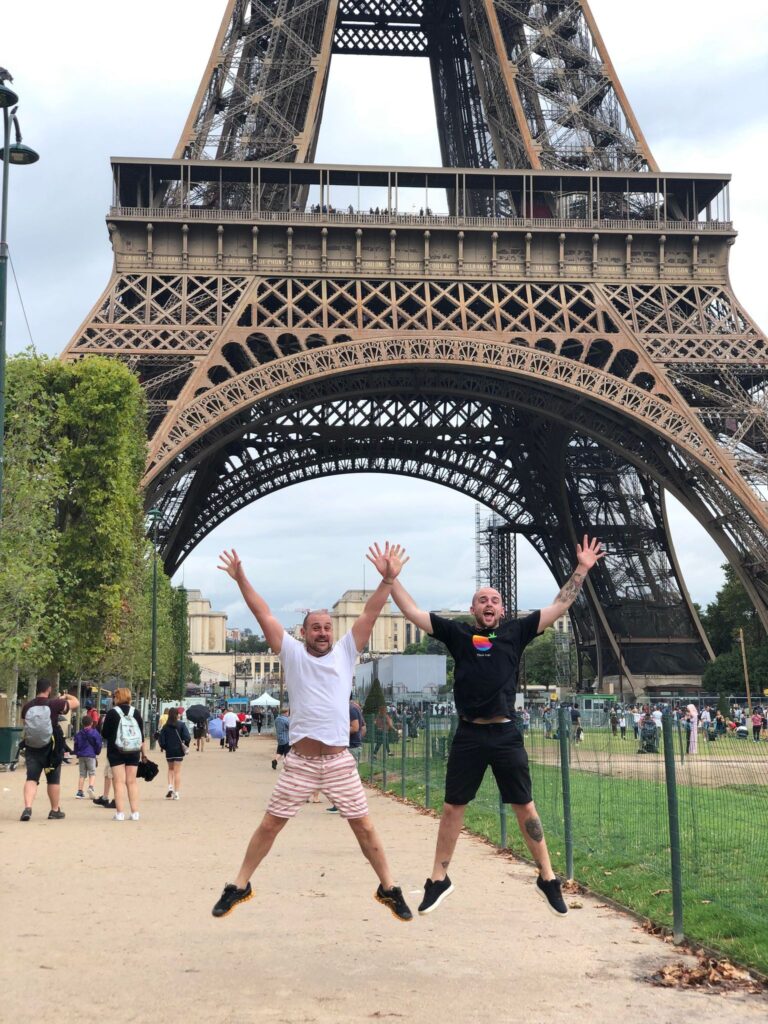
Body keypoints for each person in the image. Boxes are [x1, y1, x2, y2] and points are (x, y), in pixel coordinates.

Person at [390, 534, 605, 918]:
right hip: (470, 733)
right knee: (453, 807)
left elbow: (560, 604)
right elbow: (414, 613)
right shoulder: (458, 634)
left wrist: (583, 569)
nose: (488, 604)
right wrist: (391, 580)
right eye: (482, 600)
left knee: (525, 806)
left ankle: (547, 876)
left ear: (502, 610)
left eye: (494, 600)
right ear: (472, 609)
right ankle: (439, 879)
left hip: (505, 733)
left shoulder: (516, 632)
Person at [211, 542, 413, 922]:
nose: (322, 632)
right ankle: (239, 885)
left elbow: (370, 611)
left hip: (338, 760)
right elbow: (263, 612)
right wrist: (241, 578)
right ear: (302, 632)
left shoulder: (346, 652)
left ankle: (389, 888)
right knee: (270, 824)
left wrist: (388, 580)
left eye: (326, 628)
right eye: (315, 628)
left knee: (365, 826)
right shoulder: (291, 652)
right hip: (302, 761)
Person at [19, 680, 80, 821]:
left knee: (31, 778)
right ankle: (54, 810)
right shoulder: (54, 704)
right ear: (49, 689)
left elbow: (26, 725)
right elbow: (76, 703)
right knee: (53, 780)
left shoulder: (27, 706)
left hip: (33, 747)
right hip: (51, 749)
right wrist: (65, 697)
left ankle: (28, 807)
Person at [100, 688, 148, 821]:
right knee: (132, 782)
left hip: (116, 751)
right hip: (133, 750)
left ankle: (120, 813)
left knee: (119, 782)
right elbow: (141, 736)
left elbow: (104, 734)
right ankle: (135, 812)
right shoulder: (136, 712)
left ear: (117, 698)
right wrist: (143, 753)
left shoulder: (112, 713)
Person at [328, 697, 366, 812]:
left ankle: (352, 804)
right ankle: (342, 803)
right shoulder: (352, 708)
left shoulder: (350, 709)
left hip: (351, 746)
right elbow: (364, 728)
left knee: (348, 776)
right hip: (350, 745)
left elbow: (355, 728)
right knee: (343, 775)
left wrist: (338, 731)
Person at [158, 707, 192, 799]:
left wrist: (165, 747)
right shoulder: (181, 725)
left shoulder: (165, 726)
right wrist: (185, 745)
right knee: (177, 772)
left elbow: (161, 740)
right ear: (177, 715)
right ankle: (176, 793)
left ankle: (170, 788)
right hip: (178, 751)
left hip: (169, 751)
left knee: (170, 769)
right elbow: (187, 737)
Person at [73, 714, 103, 798]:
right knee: (92, 772)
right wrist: (97, 752)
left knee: (82, 774)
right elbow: (98, 744)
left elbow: (76, 744)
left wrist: (77, 753)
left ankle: (79, 792)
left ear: (82, 723)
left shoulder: (79, 733)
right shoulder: (94, 733)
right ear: (91, 723)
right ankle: (91, 787)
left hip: (81, 755)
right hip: (90, 755)